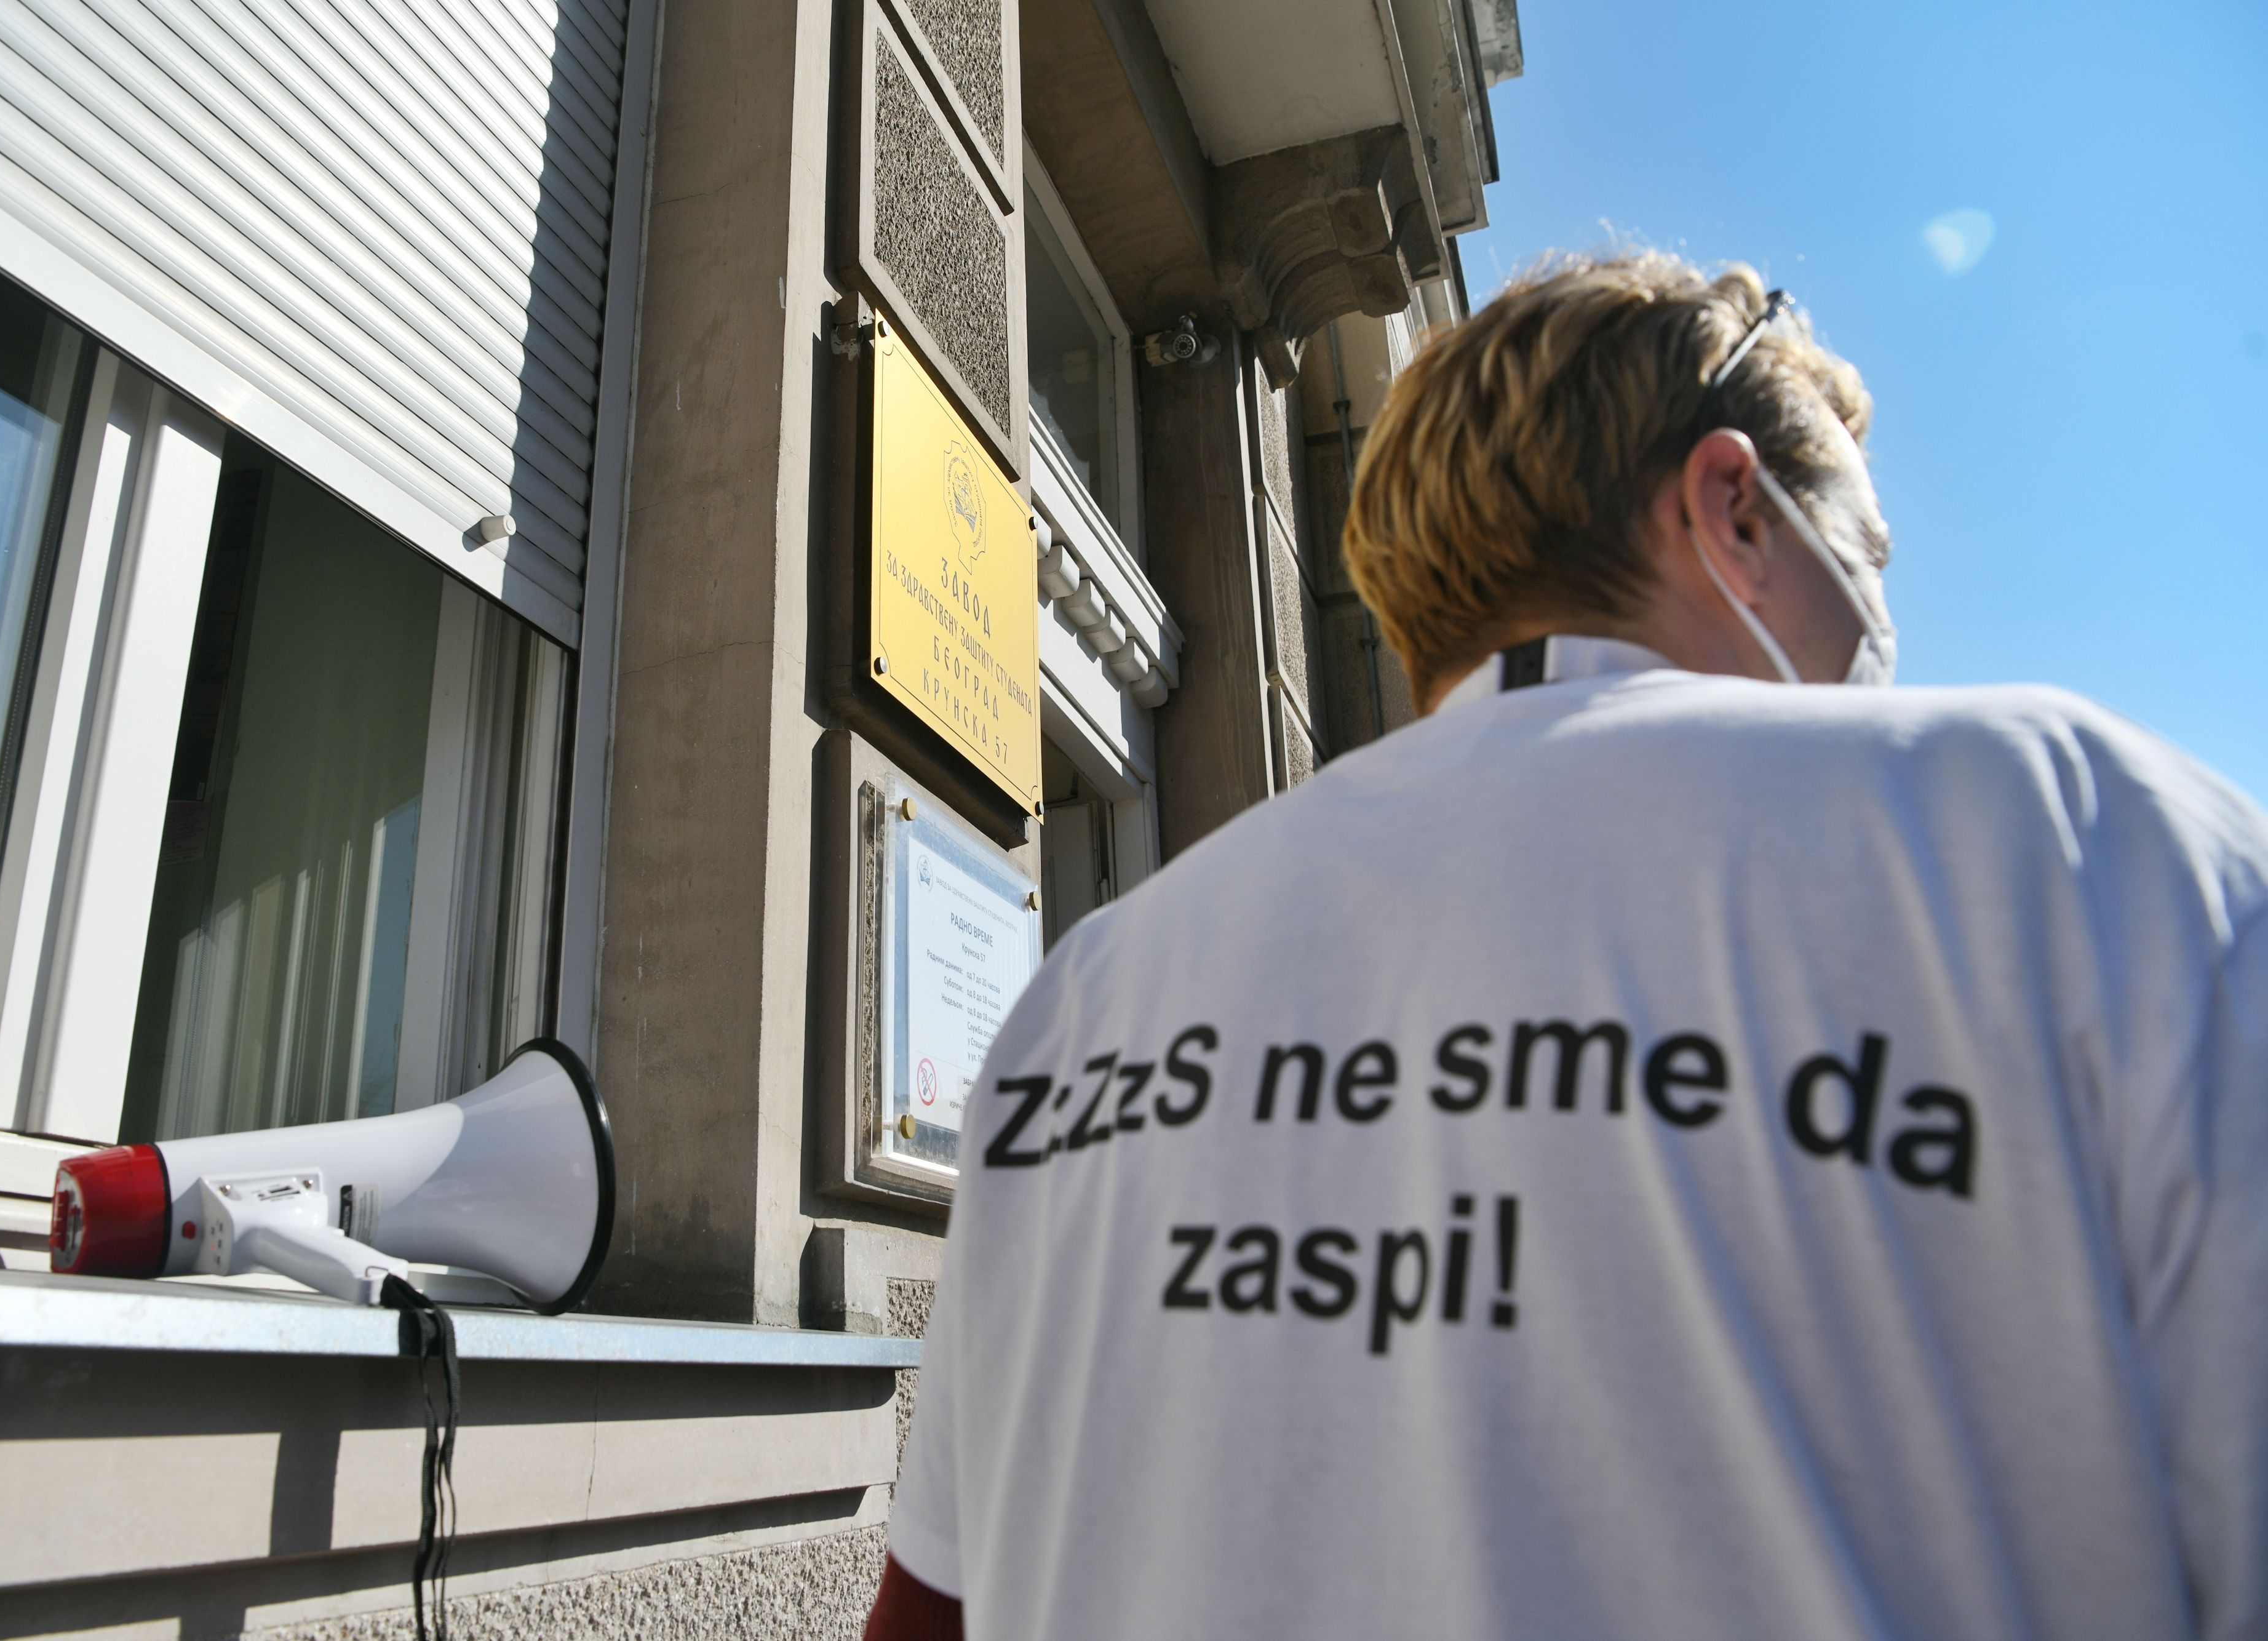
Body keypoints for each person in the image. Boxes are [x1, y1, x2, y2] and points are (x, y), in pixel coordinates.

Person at [863, 250, 2268, 1640]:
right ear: (1733, 508)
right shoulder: (2087, 841)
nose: (1882, 616)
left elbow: (930, 1604)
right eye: (1866, 551)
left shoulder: (1083, 995)